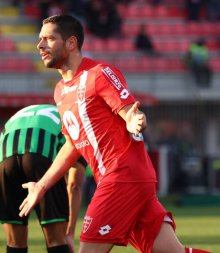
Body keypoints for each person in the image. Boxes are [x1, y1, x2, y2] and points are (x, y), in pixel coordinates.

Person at [18, 15, 211, 253]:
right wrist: (42, 186)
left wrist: (134, 121)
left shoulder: (99, 73)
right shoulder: (60, 92)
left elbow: (129, 112)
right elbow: (72, 144)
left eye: (49, 38)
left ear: (71, 43)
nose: (40, 45)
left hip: (122, 175)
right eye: (39, 39)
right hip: (130, 179)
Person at [0, 104, 86, 253]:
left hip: (6, 156)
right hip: (40, 155)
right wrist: (70, 232)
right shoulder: (75, 119)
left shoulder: (28, 110)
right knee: (57, 240)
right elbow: (74, 185)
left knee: (14, 242)